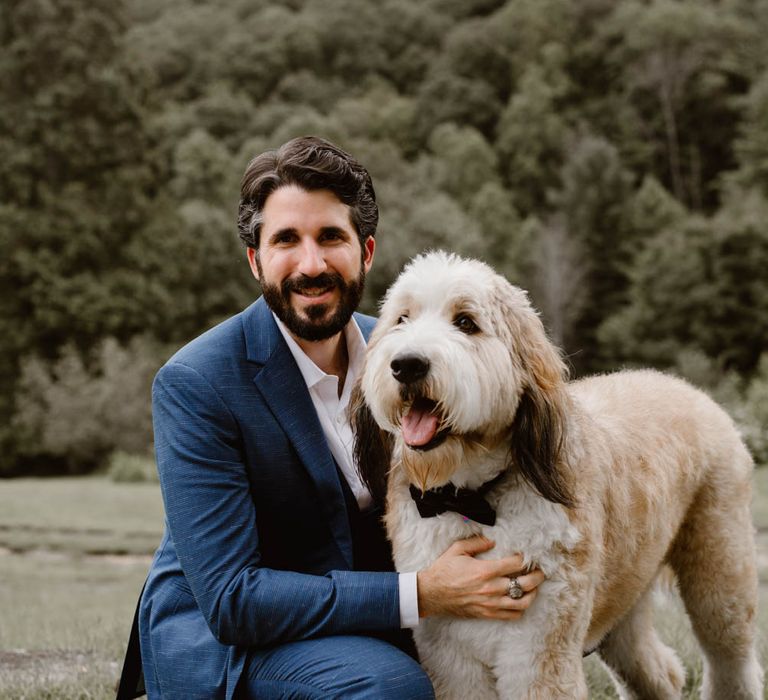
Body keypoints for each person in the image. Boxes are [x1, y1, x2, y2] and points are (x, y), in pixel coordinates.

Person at [117, 136, 544, 699]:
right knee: (392, 687)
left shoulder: (402, 354)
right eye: (287, 240)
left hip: (360, 619)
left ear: (366, 252)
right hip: (234, 642)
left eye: (331, 238)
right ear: (256, 260)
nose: (311, 264)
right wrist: (422, 595)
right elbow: (231, 600)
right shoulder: (196, 383)